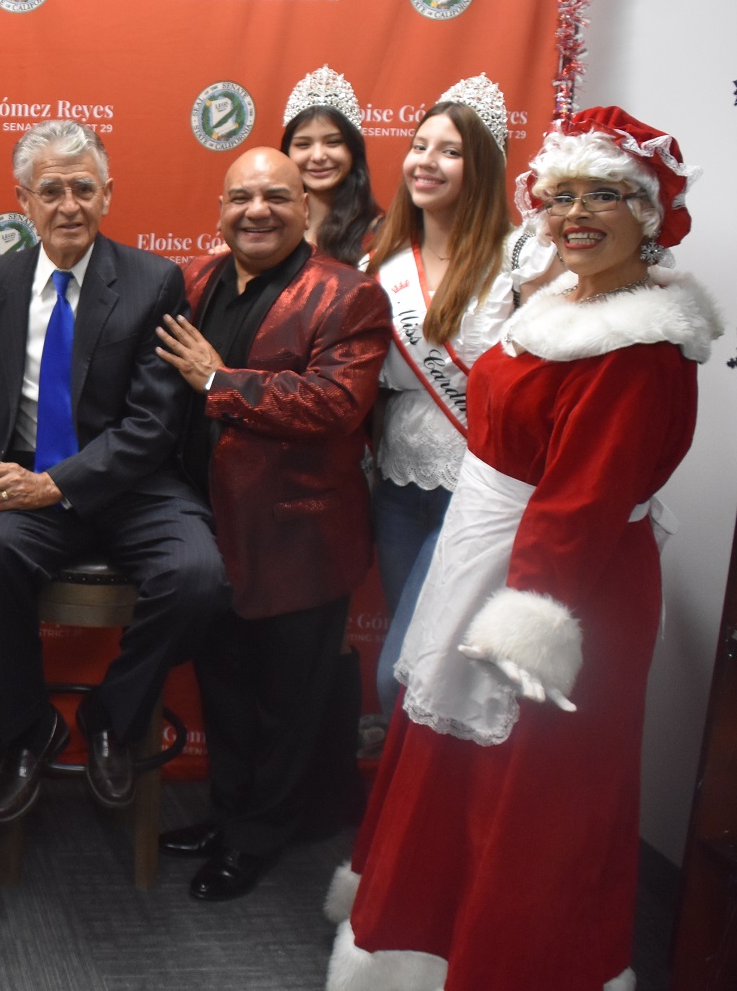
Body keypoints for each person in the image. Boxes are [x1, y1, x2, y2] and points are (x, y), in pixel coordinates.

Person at [328, 108, 721, 990]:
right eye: (564, 194)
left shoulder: (640, 346)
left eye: (608, 196)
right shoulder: (566, 298)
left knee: (530, 790)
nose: (578, 214)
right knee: (453, 761)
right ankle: (419, 945)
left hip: (554, 591)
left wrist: (522, 620)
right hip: (486, 549)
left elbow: (581, 502)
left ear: (650, 214)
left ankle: (502, 965)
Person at [0, 120, 226, 826]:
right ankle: (30, 727)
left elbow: (154, 425)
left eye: (83, 189)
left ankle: (110, 717)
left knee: (199, 579)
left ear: (107, 196)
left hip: (131, 484)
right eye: (52, 190)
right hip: (25, 479)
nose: (68, 205)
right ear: (23, 201)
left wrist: (59, 484)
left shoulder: (154, 281)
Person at [154, 148, 391, 901]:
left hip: (299, 539)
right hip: (207, 529)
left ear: (305, 208)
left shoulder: (349, 296)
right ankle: (228, 816)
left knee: (285, 702)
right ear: (220, 208)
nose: (257, 211)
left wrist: (220, 382)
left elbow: (332, 404)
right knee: (222, 688)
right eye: (241, 197)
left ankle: (258, 837)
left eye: (276, 198)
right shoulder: (192, 279)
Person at [365, 75, 558, 713]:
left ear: (480, 166)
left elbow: (546, 378)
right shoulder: (386, 263)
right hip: (398, 488)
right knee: (419, 669)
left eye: (449, 150)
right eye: (420, 145)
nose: (426, 161)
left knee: (403, 672)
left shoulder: (520, 256)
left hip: (478, 490)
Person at [279, 65, 381, 266]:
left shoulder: (381, 234)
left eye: (333, 142)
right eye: (303, 144)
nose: (318, 156)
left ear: (353, 149)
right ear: (287, 152)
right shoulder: (275, 226)